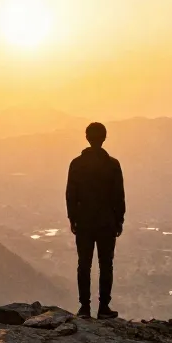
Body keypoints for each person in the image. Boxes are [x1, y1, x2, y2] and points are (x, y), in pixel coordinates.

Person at [65, 121, 125, 319]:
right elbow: (119, 195)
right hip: (107, 221)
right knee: (106, 264)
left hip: (84, 221)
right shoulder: (112, 164)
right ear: (104, 137)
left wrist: (73, 218)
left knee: (84, 264)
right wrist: (119, 220)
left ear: (87, 137)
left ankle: (84, 308)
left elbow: (70, 195)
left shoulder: (77, 164)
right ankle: (104, 308)